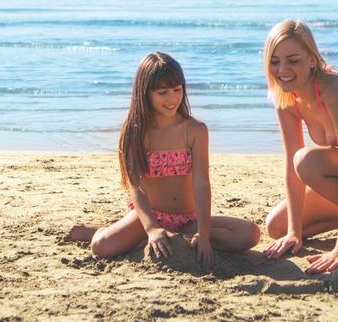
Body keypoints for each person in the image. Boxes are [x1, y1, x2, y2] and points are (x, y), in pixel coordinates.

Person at [67, 52, 260, 262]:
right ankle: (106, 230)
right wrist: (151, 228)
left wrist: (203, 233)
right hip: (149, 217)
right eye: (162, 92)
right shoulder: (136, 133)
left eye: (177, 90)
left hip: (188, 221)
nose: (172, 99)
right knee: (100, 246)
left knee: (249, 234)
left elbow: (201, 182)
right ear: (145, 93)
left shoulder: (195, 130)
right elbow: (136, 187)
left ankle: (161, 235)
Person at [260, 19, 338, 273]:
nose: (282, 69)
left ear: (313, 59)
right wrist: (294, 233)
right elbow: (290, 167)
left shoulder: (334, 91)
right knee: (277, 227)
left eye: (293, 60)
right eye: (275, 61)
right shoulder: (286, 96)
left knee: (307, 161)